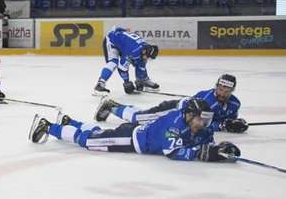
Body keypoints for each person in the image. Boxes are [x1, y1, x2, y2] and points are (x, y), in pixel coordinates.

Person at [29, 98, 241, 164]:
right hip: (131, 140)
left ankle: (71, 121)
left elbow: (207, 140)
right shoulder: (174, 125)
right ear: (188, 115)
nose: (203, 124)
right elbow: (174, 152)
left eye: (205, 120)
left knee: (96, 134)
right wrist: (203, 154)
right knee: (89, 141)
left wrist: (219, 149)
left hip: (136, 132)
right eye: (200, 119)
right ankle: (50, 126)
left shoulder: (197, 125)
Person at [95, 74, 247, 134]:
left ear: (232, 91)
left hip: (183, 116)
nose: (222, 93)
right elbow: (200, 122)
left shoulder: (235, 103)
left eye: (226, 91)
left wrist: (234, 123)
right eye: (220, 89)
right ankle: (110, 106)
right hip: (174, 110)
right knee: (138, 119)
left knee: (143, 116)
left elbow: (225, 119)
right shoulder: (208, 100)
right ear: (216, 87)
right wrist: (222, 126)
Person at [94, 26, 159, 95]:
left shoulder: (144, 48)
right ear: (144, 52)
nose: (147, 59)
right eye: (147, 57)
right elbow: (122, 68)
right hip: (111, 41)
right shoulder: (132, 51)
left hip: (124, 43)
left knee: (141, 60)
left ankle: (143, 80)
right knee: (113, 63)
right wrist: (126, 82)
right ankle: (100, 84)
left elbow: (141, 63)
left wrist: (140, 80)